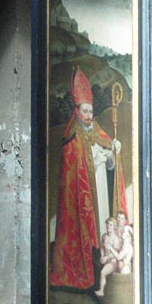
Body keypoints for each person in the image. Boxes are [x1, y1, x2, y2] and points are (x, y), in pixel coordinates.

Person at [49, 66, 127, 290]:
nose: (88, 116)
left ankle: (102, 256)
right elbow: (73, 168)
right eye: (84, 111)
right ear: (77, 111)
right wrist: (96, 157)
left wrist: (114, 151)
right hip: (83, 200)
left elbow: (112, 165)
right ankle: (87, 265)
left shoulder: (98, 130)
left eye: (91, 111)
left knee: (104, 225)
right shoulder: (71, 137)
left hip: (101, 190)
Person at [95, 217, 122, 297]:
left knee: (102, 272)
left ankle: (101, 291)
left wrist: (106, 258)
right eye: (107, 224)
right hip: (105, 259)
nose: (108, 226)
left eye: (111, 225)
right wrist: (102, 256)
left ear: (114, 227)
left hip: (113, 261)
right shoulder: (104, 236)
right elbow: (102, 248)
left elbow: (115, 253)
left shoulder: (115, 239)